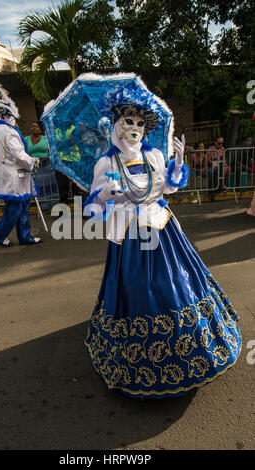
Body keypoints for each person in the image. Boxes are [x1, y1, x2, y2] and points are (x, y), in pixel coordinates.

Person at [84, 80, 241, 399]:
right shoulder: (106, 164)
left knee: (178, 286)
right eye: (129, 121)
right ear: (115, 124)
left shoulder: (154, 155)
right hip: (130, 238)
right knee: (139, 289)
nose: (135, 128)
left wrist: (178, 166)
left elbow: (168, 188)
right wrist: (103, 195)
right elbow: (91, 211)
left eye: (141, 123)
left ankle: (190, 352)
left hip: (163, 230)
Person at [0, 80, 42, 247]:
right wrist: (32, 161)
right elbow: (17, 154)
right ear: (9, 115)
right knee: (15, 209)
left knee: (22, 206)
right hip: (13, 177)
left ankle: (25, 237)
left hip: (8, 176)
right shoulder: (8, 131)